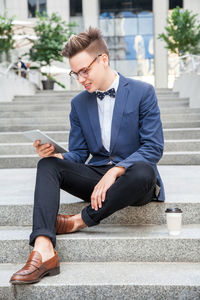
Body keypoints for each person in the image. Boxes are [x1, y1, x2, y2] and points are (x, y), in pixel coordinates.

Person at [10, 27, 165, 284]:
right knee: (47, 165)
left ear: (103, 59)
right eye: (75, 73)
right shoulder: (78, 104)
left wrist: (117, 170)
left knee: (143, 170)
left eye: (85, 70)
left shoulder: (143, 92)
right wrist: (58, 157)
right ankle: (43, 250)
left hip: (134, 181)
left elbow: (153, 147)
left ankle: (79, 221)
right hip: (97, 180)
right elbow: (80, 154)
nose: (80, 79)